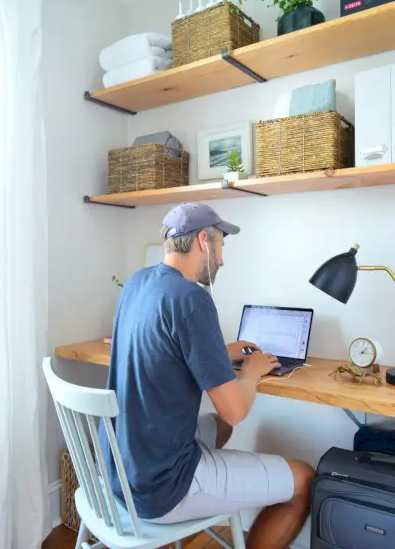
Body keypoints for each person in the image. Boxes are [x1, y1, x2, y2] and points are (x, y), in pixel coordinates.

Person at [100, 202, 315, 549]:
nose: (222, 259)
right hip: (162, 484)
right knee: (304, 479)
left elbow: (161, 346)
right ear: (203, 240)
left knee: (220, 427)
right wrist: (251, 372)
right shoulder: (192, 298)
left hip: (121, 466)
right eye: (222, 246)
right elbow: (236, 410)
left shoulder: (138, 283)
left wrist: (219, 351)